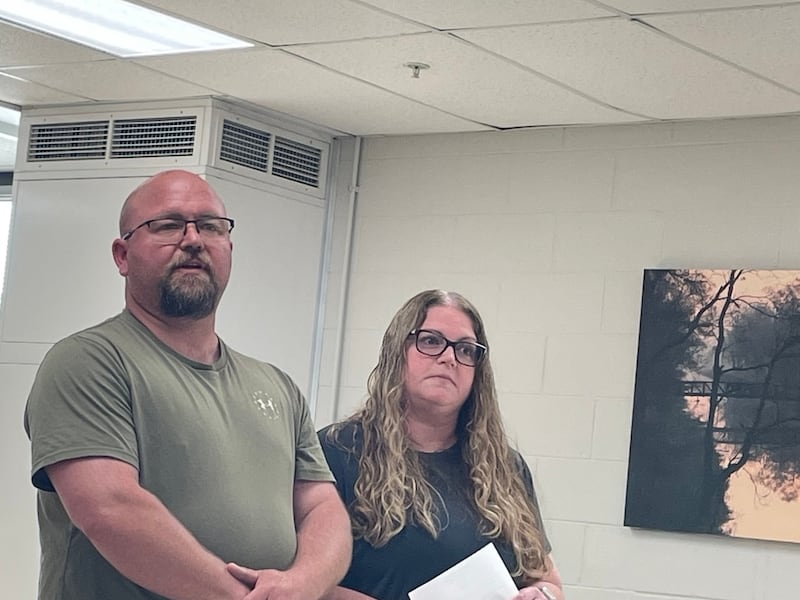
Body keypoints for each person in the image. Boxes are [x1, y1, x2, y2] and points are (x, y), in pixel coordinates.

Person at [24, 169, 352, 600]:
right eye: (168, 225)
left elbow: (321, 508)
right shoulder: (90, 362)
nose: (194, 239)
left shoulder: (277, 387)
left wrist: (303, 584)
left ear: (229, 248)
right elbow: (111, 509)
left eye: (211, 226)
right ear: (122, 255)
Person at [318, 290, 564, 600]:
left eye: (465, 349)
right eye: (431, 341)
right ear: (397, 351)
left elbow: (547, 578)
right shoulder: (335, 451)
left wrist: (543, 594)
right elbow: (299, 579)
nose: (449, 358)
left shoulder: (504, 467)